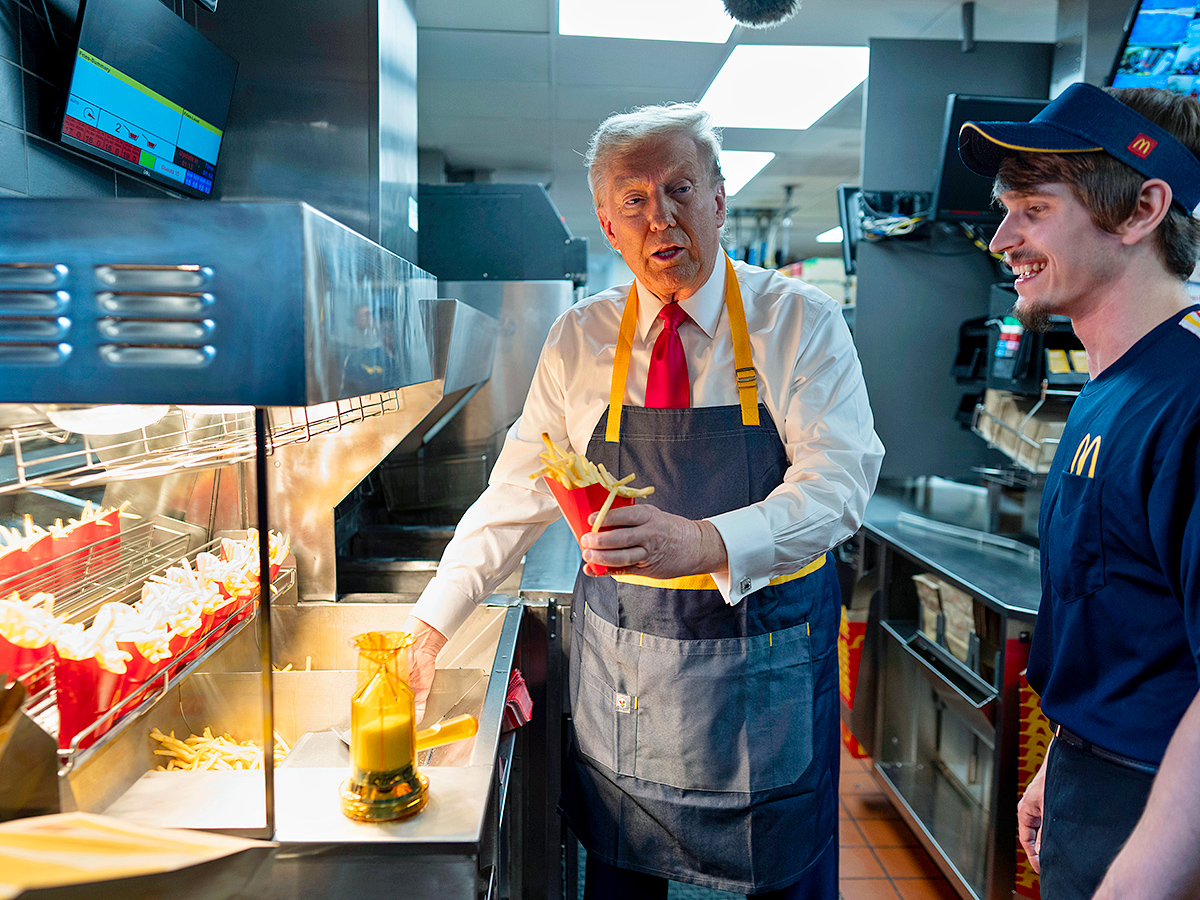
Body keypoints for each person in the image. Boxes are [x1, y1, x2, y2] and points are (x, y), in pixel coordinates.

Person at [406, 102, 883, 898]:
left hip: (761, 680)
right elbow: (516, 491)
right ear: (607, 221)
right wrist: (429, 623)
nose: (660, 216)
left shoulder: (799, 320)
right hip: (631, 689)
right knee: (625, 880)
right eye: (634, 200)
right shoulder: (577, 340)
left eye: (681, 190)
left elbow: (839, 487)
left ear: (719, 199)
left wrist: (705, 541)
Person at [958, 82, 1200, 900]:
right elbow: (1126, 614)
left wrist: (1135, 879)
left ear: (1141, 210)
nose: (1001, 239)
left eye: (1031, 207)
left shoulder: (1191, 398)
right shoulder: (1110, 386)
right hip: (1098, 785)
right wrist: (1065, 763)